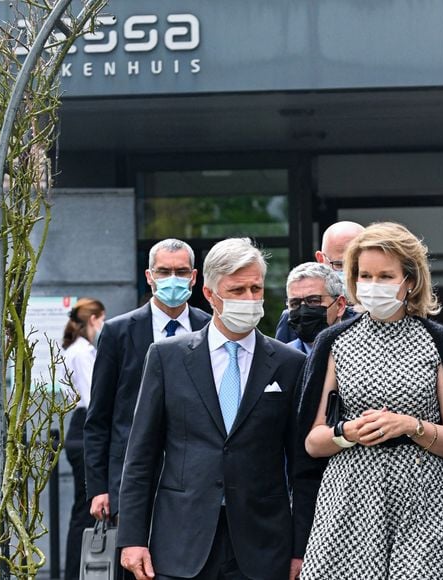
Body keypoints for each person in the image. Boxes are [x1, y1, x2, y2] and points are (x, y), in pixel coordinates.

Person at [296, 221, 443, 579]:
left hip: (424, 497)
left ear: (409, 281)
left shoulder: (440, 341)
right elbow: (313, 441)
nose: (372, 285)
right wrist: (347, 432)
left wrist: (412, 426)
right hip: (350, 495)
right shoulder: (333, 342)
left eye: (385, 276)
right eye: (364, 275)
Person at [117, 237, 307, 580]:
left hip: (263, 544)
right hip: (182, 540)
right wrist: (132, 539)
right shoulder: (166, 357)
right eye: (237, 291)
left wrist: (301, 547)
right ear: (209, 294)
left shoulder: (289, 364)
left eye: (256, 288)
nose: (250, 299)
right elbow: (141, 456)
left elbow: (301, 466)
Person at [84, 238, 211, 525]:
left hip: (196, 478)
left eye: (181, 272)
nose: (172, 279)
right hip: (132, 477)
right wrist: (99, 487)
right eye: (164, 272)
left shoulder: (210, 327)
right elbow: (99, 417)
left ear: (193, 277)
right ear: (149, 276)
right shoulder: (118, 333)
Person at [61, 297, 106, 580]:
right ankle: (78, 572)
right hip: (85, 426)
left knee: (83, 509)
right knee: (85, 510)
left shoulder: (78, 350)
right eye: (102, 319)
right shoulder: (82, 352)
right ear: (93, 319)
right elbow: (94, 397)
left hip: (80, 426)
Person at [275, 221, 364, 343]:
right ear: (321, 259)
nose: (349, 274)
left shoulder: (380, 315)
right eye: (339, 265)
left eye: (357, 266)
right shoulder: (296, 316)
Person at [285, 262, 346, 354]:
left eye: (313, 301)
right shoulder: (281, 359)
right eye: (295, 303)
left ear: (340, 305)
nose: (303, 311)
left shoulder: (361, 354)